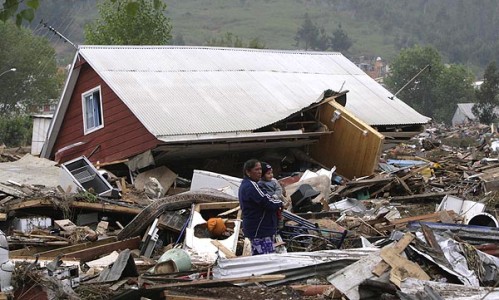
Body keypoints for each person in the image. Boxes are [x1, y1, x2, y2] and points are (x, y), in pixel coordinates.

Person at [238, 159, 282, 255]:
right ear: (248, 172)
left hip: (257, 229)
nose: (259, 172)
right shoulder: (251, 186)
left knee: (259, 258)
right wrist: (280, 203)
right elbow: (267, 202)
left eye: (260, 169)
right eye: (256, 170)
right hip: (260, 229)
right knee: (266, 259)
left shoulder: (247, 185)